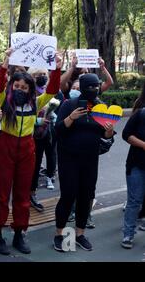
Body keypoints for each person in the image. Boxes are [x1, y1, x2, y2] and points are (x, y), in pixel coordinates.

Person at [0, 49, 61, 256]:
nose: (20, 89)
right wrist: (4, 65)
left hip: (27, 148)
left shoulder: (36, 102)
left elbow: (53, 90)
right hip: (6, 146)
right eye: (17, 86)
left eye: (24, 87)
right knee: (1, 193)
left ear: (30, 89)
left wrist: (56, 67)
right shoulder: (3, 100)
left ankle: (19, 232)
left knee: (22, 193)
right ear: (12, 86)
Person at [53, 73, 115, 252]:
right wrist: (71, 117)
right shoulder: (68, 105)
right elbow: (58, 131)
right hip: (69, 159)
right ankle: (59, 234)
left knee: (86, 196)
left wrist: (109, 131)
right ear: (82, 87)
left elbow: (106, 136)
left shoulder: (101, 107)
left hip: (90, 159)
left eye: (96, 86)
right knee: (68, 195)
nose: (93, 90)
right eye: (90, 86)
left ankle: (79, 234)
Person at [28, 67, 59, 212]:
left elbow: (53, 90)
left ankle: (34, 191)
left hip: (47, 132)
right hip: (31, 134)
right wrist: (37, 120)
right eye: (37, 75)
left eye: (44, 75)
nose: (41, 77)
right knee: (33, 166)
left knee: (46, 157)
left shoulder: (46, 92)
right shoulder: (27, 93)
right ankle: (30, 193)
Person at [121, 81, 145, 249]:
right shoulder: (141, 114)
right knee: (134, 200)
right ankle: (128, 234)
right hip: (137, 164)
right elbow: (126, 134)